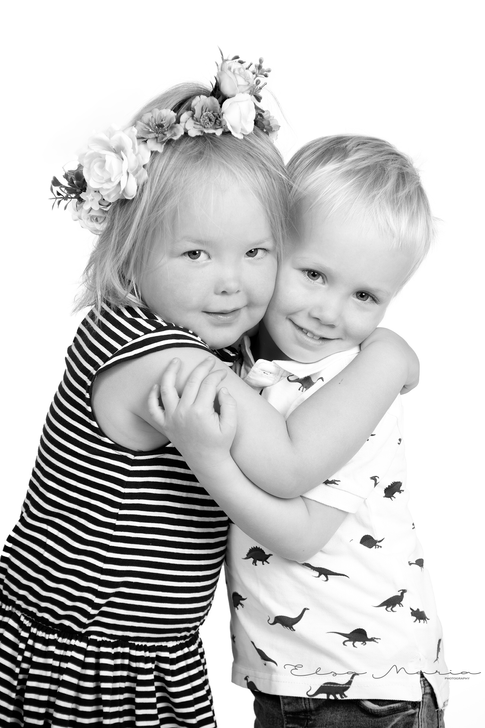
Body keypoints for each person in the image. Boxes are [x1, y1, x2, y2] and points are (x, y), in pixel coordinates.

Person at [0, 49, 418, 723]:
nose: (232, 281)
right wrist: (387, 357)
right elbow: (288, 465)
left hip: (131, 648)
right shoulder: (166, 360)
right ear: (132, 248)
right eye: (196, 253)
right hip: (99, 663)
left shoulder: (170, 336)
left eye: (256, 252)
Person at [147, 136, 448, 727]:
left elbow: (301, 535)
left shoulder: (357, 389)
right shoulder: (250, 359)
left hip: (363, 690)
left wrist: (209, 459)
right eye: (313, 274)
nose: (328, 312)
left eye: (365, 296)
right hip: (296, 678)